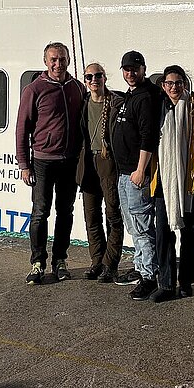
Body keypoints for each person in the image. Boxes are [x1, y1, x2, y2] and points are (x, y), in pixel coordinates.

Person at [16, 42, 86, 284]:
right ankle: (37, 263)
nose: (58, 64)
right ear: (46, 61)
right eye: (54, 59)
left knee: (65, 212)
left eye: (63, 59)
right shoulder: (34, 89)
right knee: (40, 213)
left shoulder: (77, 87)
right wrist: (24, 164)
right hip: (43, 162)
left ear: (68, 60)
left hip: (70, 161)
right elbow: (22, 128)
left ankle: (60, 261)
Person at [150, 65, 194, 302]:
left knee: (189, 232)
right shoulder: (157, 108)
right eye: (170, 83)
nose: (174, 87)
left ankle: (186, 281)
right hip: (164, 179)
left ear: (185, 84)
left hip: (191, 180)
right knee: (163, 232)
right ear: (163, 85)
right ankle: (166, 283)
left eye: (179, 83)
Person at [111, 50, 164, 300]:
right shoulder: (131, 96)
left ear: (143, 69)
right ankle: (141, 266)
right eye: (127, 69)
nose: (130, 73)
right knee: (133, 225)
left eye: (135, 69)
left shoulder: (145, 97)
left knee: (142, 226)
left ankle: (149, 275)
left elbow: (148, 136)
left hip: (135, 173)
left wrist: (141, 169)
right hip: (123, 173)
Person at [76, 62, 125, 283]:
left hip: (109, 162)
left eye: (98, 76)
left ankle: (110, 264)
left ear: (105, 77)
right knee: (91, 215)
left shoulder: (116, 102)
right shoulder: (82, 102)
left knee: (113, 214)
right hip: (88, 162)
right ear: (85, 81)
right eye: (89, 77)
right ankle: (97, 261)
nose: (93, 80)